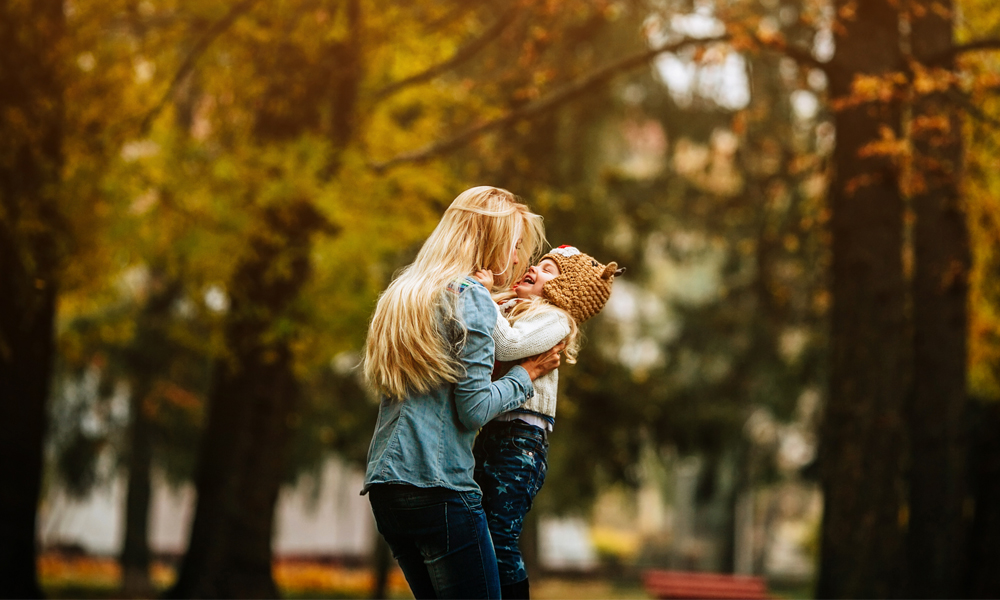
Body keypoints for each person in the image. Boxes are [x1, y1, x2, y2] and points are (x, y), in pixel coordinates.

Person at [361, 186, 566, 599]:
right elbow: (474, 409)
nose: (515, 258)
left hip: (387, 487)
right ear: (490, 240)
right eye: (513, 245)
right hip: (439, 488)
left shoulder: (407, 293)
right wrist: (527, 373)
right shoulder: (471, 298)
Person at [472, 245, 623, 599]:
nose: (534, 269)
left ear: (564, 290)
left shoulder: (555, 320)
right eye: (538, 263)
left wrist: (479, 296)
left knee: (499, 534)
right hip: (494, 432)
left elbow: (507, 346)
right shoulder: (515, 309)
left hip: (520, 443)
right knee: (477, 528)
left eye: (549, 269)